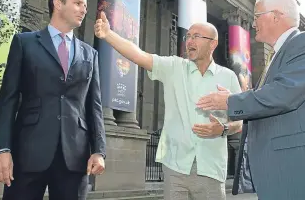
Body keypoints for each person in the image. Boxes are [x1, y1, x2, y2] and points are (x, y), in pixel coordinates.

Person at [196, 0, 305, 200]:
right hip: (287, 176)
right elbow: (272, 96)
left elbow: (282, 94)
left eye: (256, 16)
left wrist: (230, 101)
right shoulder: (279, 55)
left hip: (303, 177)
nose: (253, 24)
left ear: (276, 16)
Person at [94, 12, 242, 200]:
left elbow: (240, 121)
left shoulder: (228, 77)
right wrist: (108, 34)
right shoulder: (173, 67)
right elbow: (139, 55)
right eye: (188, 36)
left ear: (213, 44)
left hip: (211, 167)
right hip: (176, 167)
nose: (189, 41)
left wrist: (222, 129)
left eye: (196, 36)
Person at [0, 0, 106, 200]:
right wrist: (1, 149)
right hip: (28, 152)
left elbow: (95, 107)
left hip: (75, 155)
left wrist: (99, 150)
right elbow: (8, 100)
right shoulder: (25, 43)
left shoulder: (90, 54)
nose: (84, 9)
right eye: (78, 3)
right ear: (58, 4)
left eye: (85, 5)